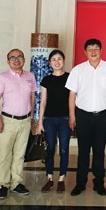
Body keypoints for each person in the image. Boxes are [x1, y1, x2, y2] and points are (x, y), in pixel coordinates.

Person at [66, 38, 106, 196]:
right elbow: (72, 94)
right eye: (90, 49)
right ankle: (80, 183)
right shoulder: (78, 70)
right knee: (83, 151)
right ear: (85, 52)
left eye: (96, 48)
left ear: (101, 51)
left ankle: (99, 182)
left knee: (99, 151)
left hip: (103, 115)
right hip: (83, 115)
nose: (93, 52)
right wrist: (72, 115)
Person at [0, 48, 37, 200]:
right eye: (12, 57)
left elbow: (32, 97)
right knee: (4, 155)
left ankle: (16, 183)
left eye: (19, 57)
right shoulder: (2, 77)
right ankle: (3, 185)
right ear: (8, 61)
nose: (16, 60)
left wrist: (31, 117)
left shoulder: (30, 76)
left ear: (24, 60)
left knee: (19, 155)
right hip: (8, 121)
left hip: (25, 121)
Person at [36, 49, 71, 194]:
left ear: (64, 60)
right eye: (54, 59)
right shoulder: (46, 80)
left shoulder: (70, 78)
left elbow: (73, 99)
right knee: (49, 149)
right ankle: (49, 178)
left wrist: (73, 118)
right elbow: (43, 101)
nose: (57, 62)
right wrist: (40, 122)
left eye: (59, 59)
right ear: (50, 63)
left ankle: (61, 179)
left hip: (65, 119)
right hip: (49, 119)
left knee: (64, 149)